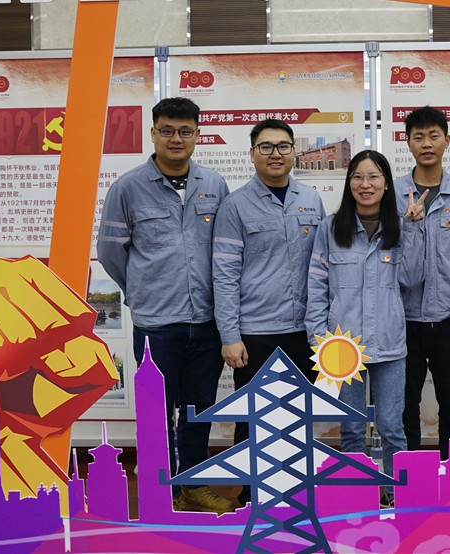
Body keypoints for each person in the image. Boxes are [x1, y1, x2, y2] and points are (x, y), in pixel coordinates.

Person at [98, 96, 233, 514]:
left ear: (197, 135)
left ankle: (193, 487)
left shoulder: (214, 185)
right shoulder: (128, 188)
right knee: (156, 414)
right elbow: (111, 252)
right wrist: (140, 290)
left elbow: (226, 250)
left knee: (199, 410)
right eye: (168, 131)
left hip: (207, 321)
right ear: (153, 133)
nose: (177, 138)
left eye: (185, 131)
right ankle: (160, 492)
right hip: (156, 325)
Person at [305, 150, 427, 507]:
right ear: (349, 183)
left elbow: (413, 278)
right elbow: (317, 286)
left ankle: (397, 498)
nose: (365, 184)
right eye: (358, 176)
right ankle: (356, 497)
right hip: (342, 348)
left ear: (387, 184)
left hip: (389, 345)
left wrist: (414, 229)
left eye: (374, 176)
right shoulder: (331, 228)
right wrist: (319, 338)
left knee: (392, 428)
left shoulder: (400, 227)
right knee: (352, 429)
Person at [213, 119, 323, 506]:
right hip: (255, 332)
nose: (275, 154)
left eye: (283, 146)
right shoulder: (235, 206)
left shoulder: (312, 199)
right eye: (266, 147)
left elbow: (323, 268)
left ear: (294, 152)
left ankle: (295, 493)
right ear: (252, 153)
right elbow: (224, 274)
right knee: (253, 418)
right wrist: (230, 336)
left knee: (299, 416)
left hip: (303, 330)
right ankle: (252, 496)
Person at [395, 106, 450, 459]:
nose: (426, 144)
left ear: (447, 140)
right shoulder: (392, 193)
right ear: (408, 142)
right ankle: (408, 478)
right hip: (403, 318)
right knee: (404, 405)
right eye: (418, 137)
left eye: (433, 136)